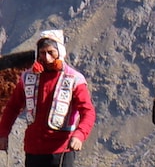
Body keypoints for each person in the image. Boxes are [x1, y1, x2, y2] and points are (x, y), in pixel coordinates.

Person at [0, 30, 96, 167]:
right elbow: (12, 107)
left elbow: (88, 112)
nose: (47, 57)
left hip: (62, 150)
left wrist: (80, 135)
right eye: (43, 53)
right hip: (34, 150)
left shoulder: (74, 79)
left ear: (60, 52)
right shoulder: (28, 78)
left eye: (51, 52)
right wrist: (3, 133)